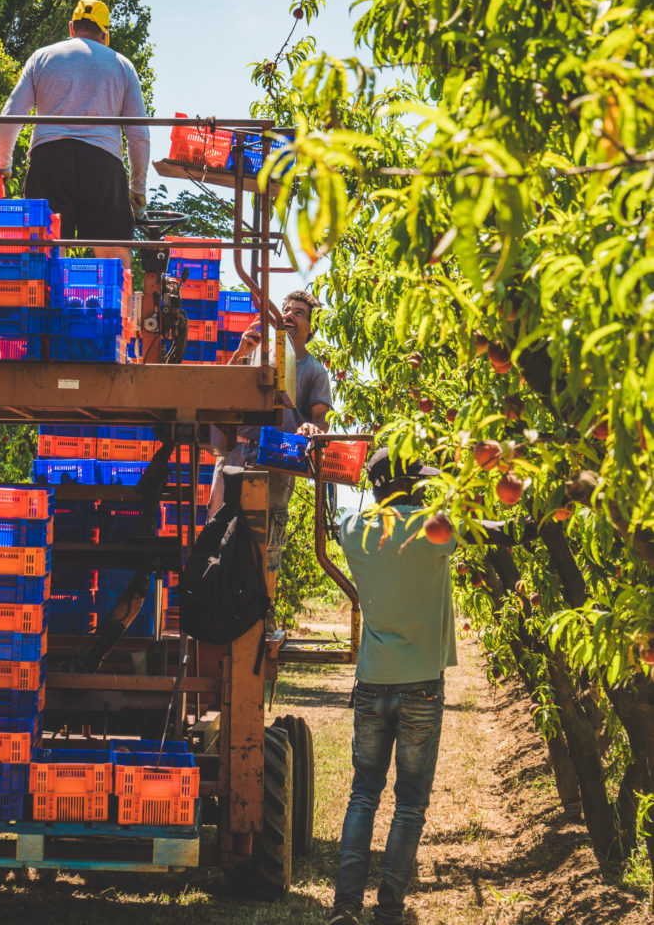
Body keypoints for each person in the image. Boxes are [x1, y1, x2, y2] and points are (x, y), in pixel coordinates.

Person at [331, 449, 535, 925]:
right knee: (410, 803)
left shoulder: (353, 530)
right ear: (408, 486)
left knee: (364, 793)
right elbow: (508, 534)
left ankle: (345, 907)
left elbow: (335, 515)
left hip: (371, 683)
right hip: (421, 685)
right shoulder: (435, 530)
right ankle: (388, 912)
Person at [0, 0, 150, 269]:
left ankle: (46, 309)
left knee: (46, 254)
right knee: (114, 258)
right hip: (103, 165)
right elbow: (139, 135)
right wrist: (137, 188)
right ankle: (121, 310)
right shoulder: (122, 66)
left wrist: (2, 166)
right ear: (104, 34)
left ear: (71, 27)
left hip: (50, 160)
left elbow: (10, 117)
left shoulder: (42, 57)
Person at [209, 290, 333, 579]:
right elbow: (223, 393)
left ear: (311, 327)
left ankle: (262, 610)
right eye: (286, 310)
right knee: (218, 530)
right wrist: (240, 353)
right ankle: (216, 609)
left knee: (266, 540)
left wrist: (312, 429)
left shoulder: (314, 370)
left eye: (298, 313)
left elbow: (320, 421)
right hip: (235, 452)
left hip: (277, 460)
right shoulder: (256, 352)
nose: (288, 315)